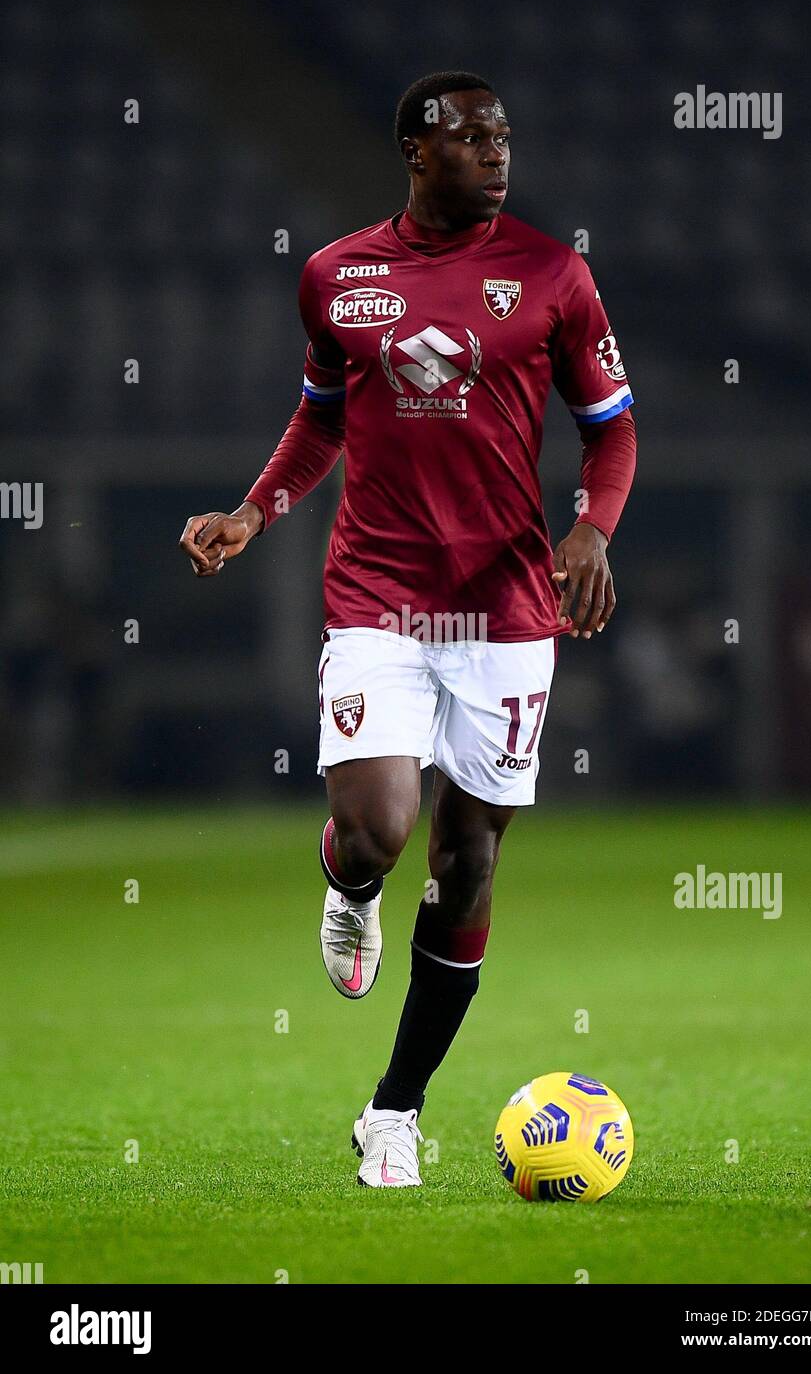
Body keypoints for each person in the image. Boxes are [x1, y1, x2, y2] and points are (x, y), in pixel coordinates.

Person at [179, 71, 637, 1188]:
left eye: (503, 136)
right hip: (377, 594)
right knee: (382, 825)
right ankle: (349, 887)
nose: (496, 152)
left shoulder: (550, 274)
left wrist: (591, 530)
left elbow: (611, 431)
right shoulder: (338, 275)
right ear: (413, 151)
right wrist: (252, 509)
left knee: (469, 858)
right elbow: (319, 416)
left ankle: (393, 1109)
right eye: (471, 137)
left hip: (506, 607)